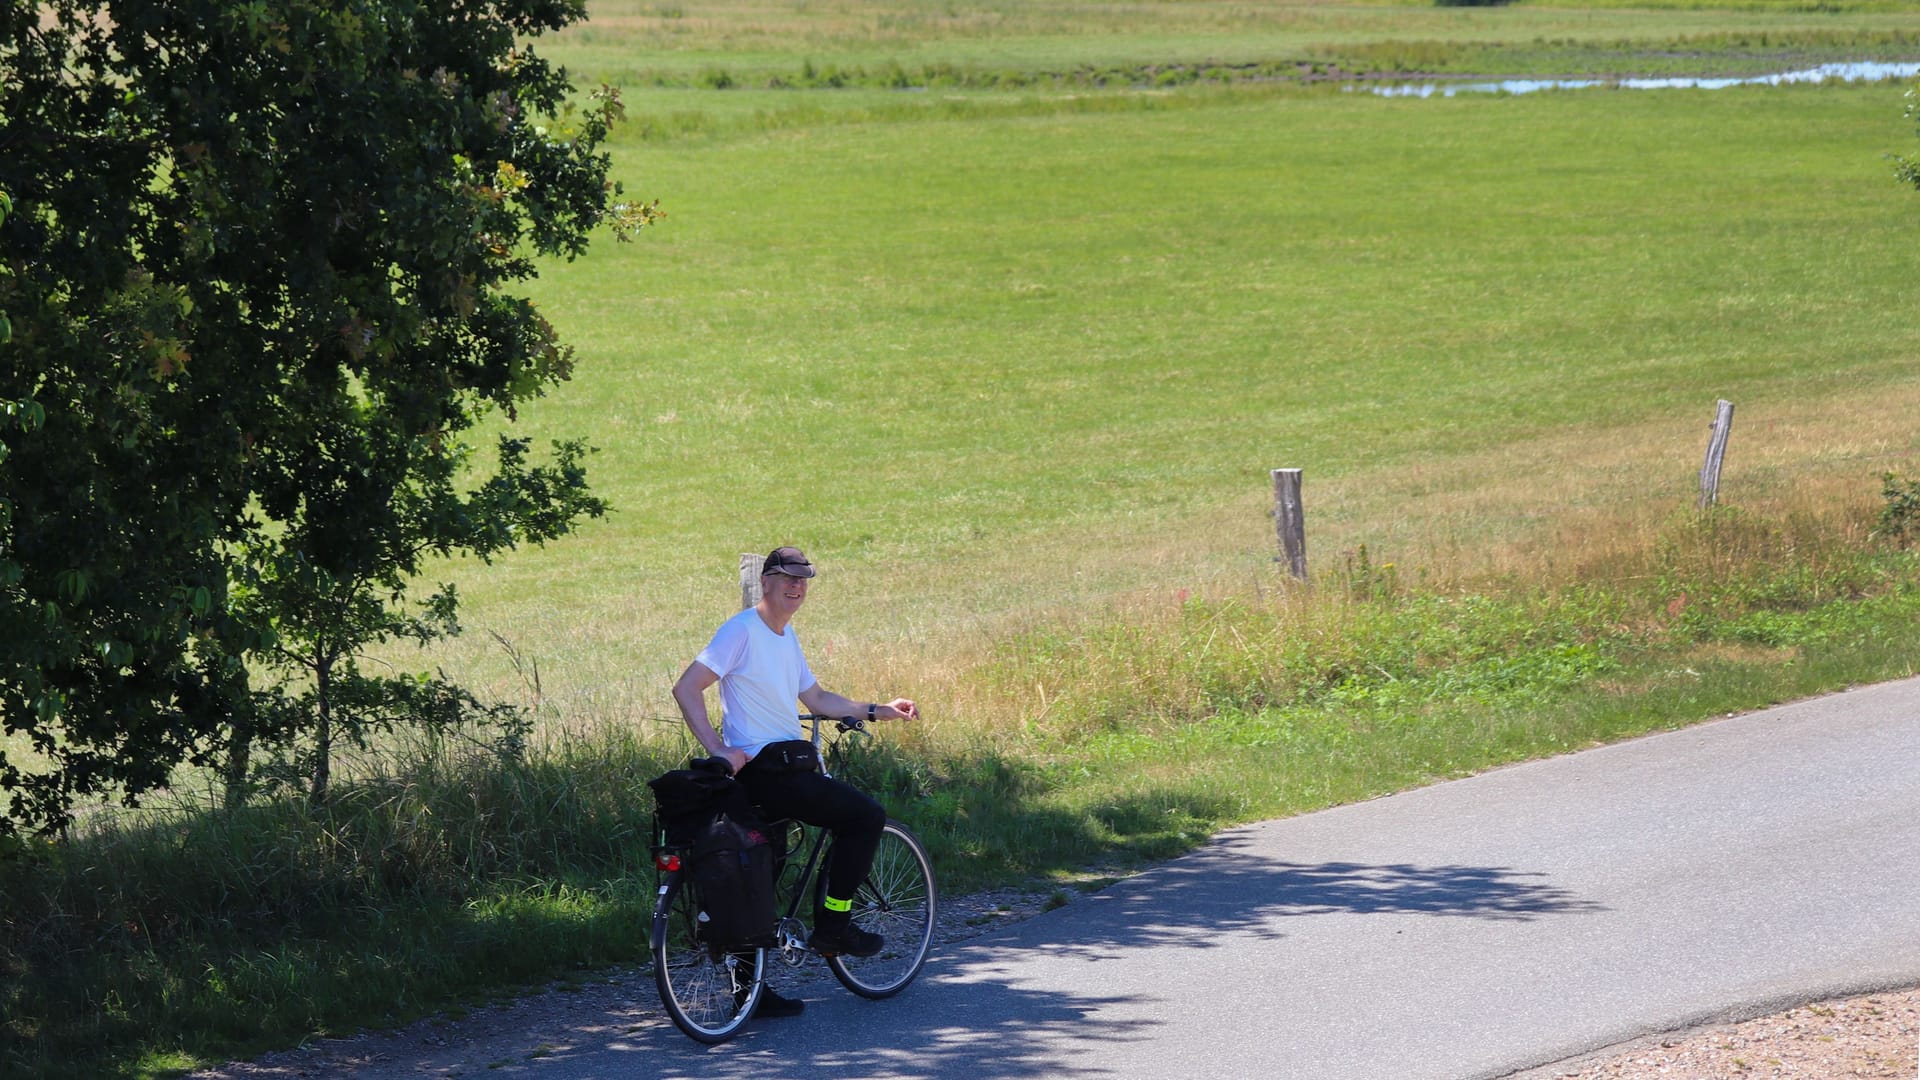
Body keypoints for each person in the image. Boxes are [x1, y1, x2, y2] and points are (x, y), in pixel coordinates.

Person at [671, 545, 919, 1020]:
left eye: (804, 579)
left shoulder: (786, 637)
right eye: (786, 576)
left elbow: (819, 697)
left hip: (768, 774)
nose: (796, 585)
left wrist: (878, 709)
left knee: (761, 876)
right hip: (770, 771)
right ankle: (835, 924)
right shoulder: (741, 630)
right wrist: (718, 749)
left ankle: (751, 996)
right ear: (765, 582)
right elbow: (686, 688)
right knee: (865, 816)